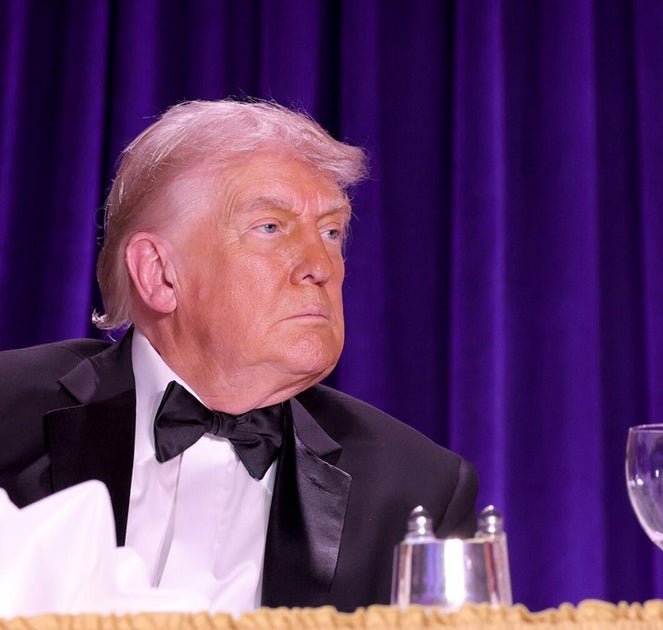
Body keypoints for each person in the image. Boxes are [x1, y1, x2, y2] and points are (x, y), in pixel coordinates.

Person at [0, 100, 478, 612]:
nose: (320, 266)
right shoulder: (10, 411)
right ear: (159, 274)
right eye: (270, 227)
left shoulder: (416, 492)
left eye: (332, 232)